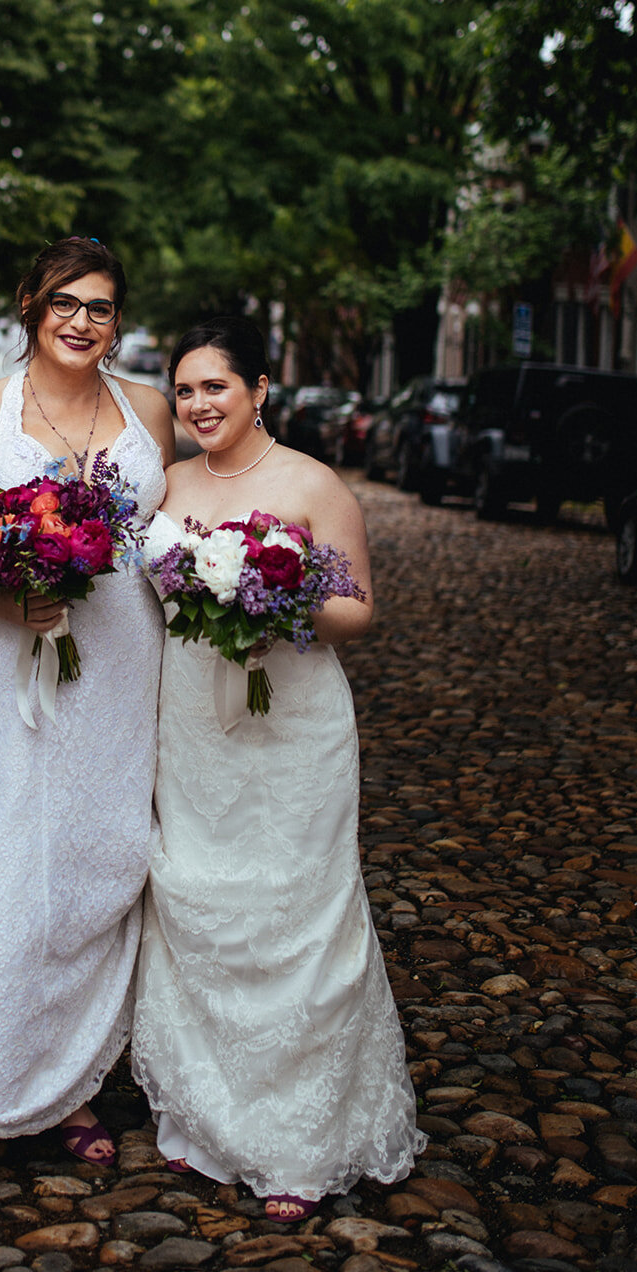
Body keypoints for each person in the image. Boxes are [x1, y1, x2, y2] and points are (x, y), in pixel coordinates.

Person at [132, 316, 425, 1222]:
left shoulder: (312, 481)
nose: (197, 404)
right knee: (201, 901)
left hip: (291, 725)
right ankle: (206, 1120)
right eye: (183, 391)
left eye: (214, 386)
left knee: (295, 905)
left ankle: (301, 1140)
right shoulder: (167, 482)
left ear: (259, 388)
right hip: (188, 724)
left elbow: (357, 609)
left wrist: (277, 603)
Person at [0, 236, 175, 1208]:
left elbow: (172, 532)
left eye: (100, 306)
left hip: (126, 670)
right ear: (29, 303)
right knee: (14, 871)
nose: (81, 321)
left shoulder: (146, 410)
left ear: (117, 318)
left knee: (105, 868)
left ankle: (63, 1086)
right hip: (23, 667)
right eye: (64, 301)